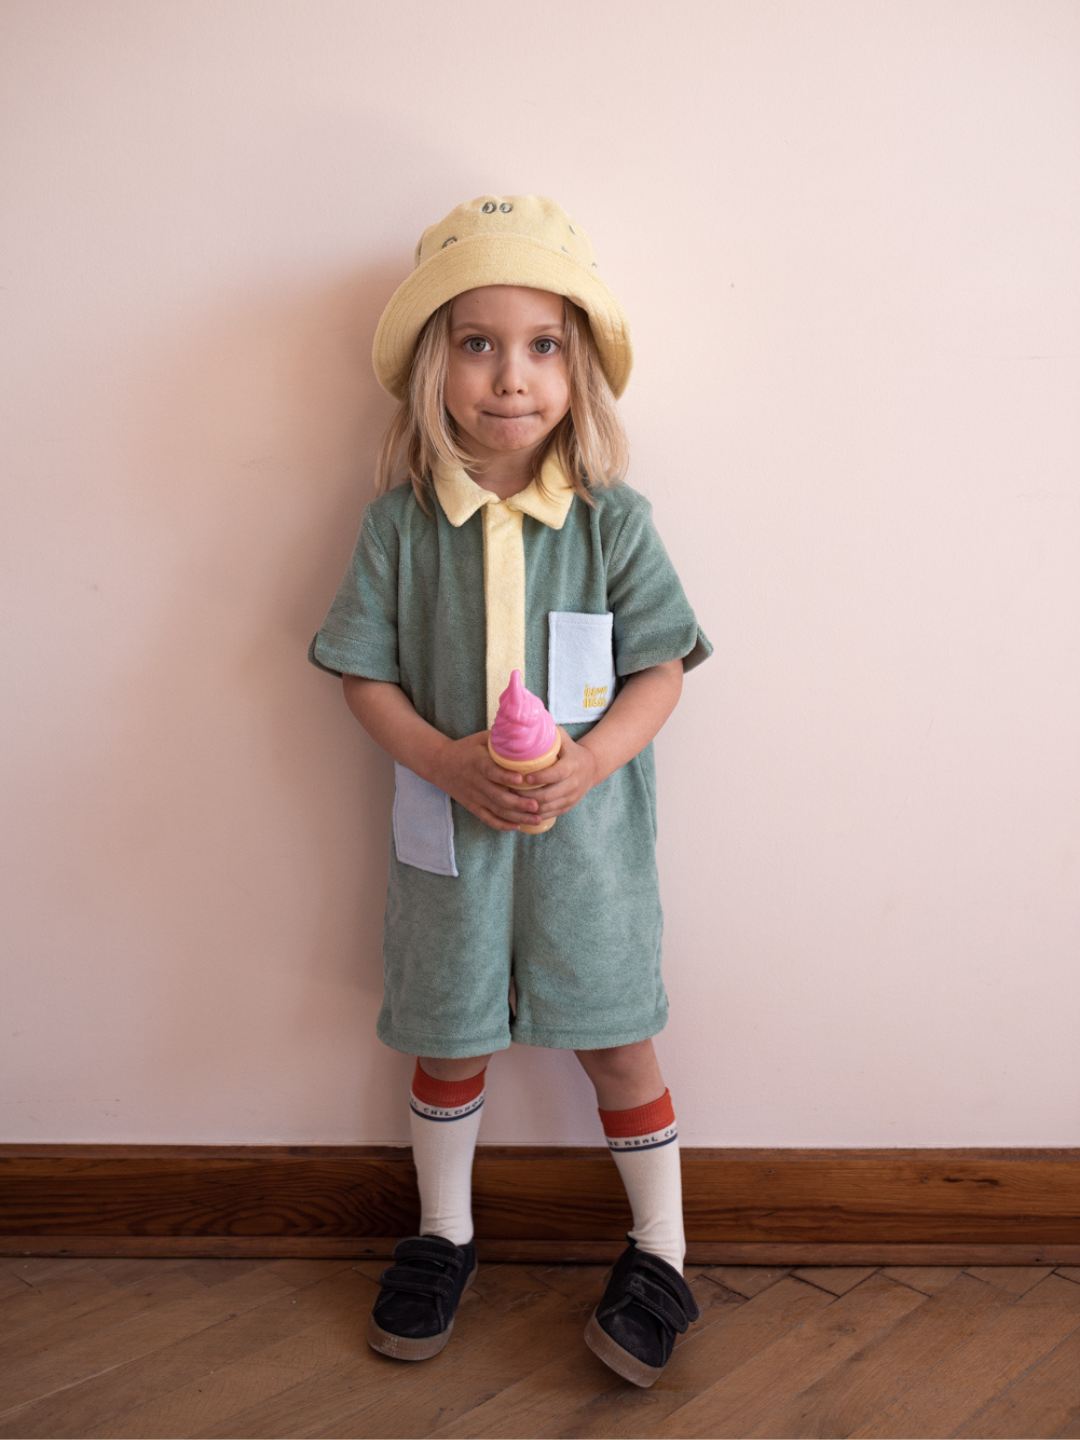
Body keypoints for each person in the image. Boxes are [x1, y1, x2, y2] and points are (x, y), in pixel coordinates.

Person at [309, 194, 712, 1387]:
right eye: (477, 343)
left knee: (621, 1045)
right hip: (448, 838)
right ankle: (443, 1236)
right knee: (448, 1039)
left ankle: (664, 1250)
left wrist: (594, 758)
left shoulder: (613, 524)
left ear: (577, 369)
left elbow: (661, 666)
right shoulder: (397, 527)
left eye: (541, 346)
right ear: (437, 364)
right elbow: (361, 672)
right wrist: (438, 759)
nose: (508, 377)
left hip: (591, 849)